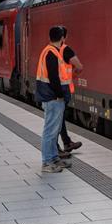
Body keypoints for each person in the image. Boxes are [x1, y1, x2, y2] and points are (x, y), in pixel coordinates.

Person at [35, 26, 73, 173]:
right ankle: (47, 162)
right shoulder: (51, 53)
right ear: (62, 38)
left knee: (54, 130)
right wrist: (60, 94)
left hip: (52, 96)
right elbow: (53, 77)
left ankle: (54, 158)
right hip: (52, 97)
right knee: (50, 131)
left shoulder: (50, 51)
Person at [56, 26, 83, 158]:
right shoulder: (65, 49)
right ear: (64, 37)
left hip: (53, 88)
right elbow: (79, 66)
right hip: (64, 88)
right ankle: (62, 145)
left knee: (58, 118)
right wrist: (72, 75)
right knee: (58, 118)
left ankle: (66, 142)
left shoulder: (51, 50)